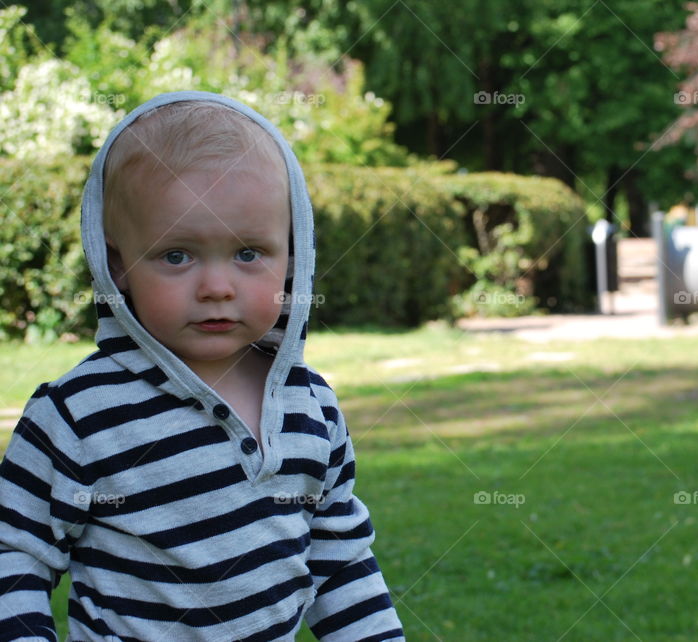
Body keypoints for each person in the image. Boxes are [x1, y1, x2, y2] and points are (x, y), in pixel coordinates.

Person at [0, 91, 405, 641]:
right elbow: (16, 553)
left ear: (293, 256)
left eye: (247, 254)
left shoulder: (312, 409)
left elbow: (340, 562)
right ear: (117, 263)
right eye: (177, 255)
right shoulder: (78, 416)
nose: (216, 287)